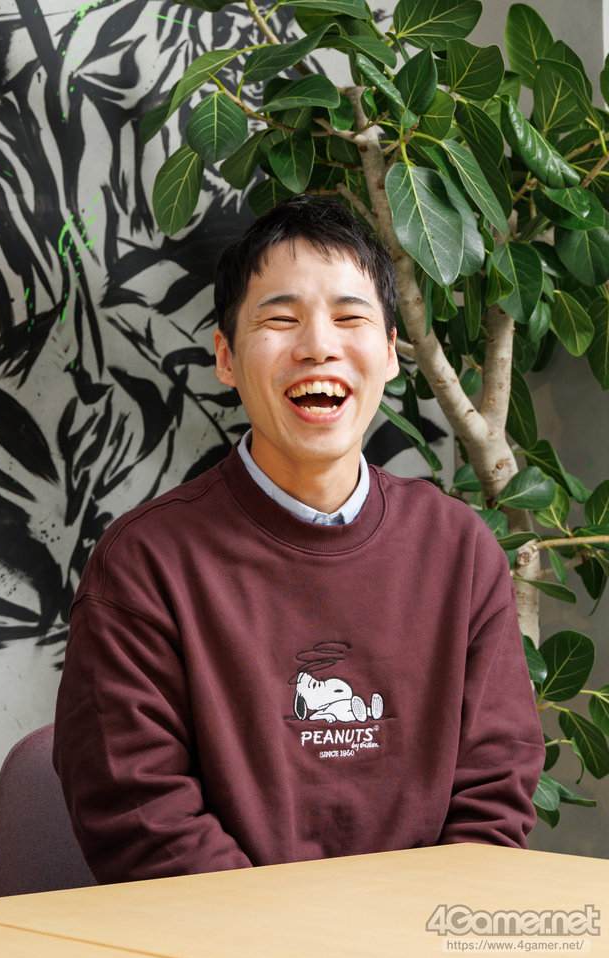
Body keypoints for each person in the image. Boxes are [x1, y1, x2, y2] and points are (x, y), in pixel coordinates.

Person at [53, 196, 545, 882]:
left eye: (350, 318)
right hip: (223, 935)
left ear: (391, 353)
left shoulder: (459, 551)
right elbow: (142, 815)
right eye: (281, 319)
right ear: (226, 357)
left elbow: (494, 794)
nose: (318, 345)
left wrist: (415, 929)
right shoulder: (143, 567)